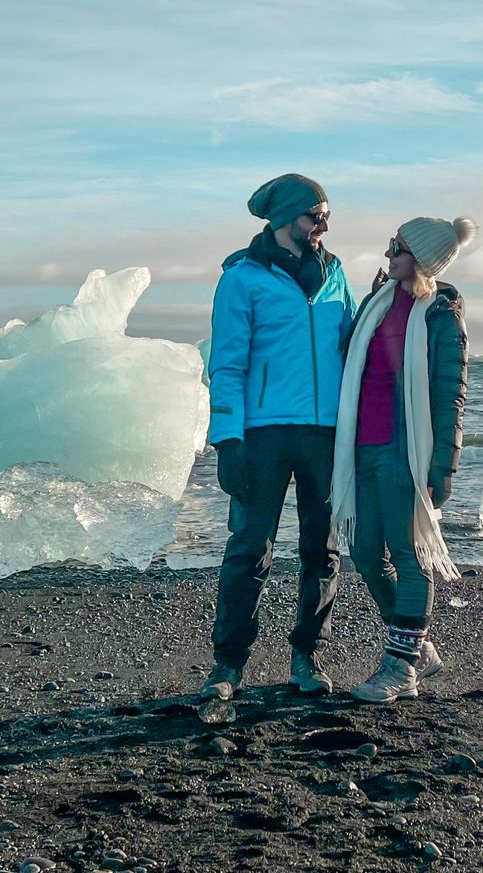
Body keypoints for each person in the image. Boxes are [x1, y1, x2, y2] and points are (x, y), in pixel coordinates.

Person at [203, 174, 357, 700]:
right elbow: (226, 365)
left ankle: (308, 656)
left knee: (323, 549)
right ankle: (227, 665)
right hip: (262, 435)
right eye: (317, 216)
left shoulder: (336, 274)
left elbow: (350, 348)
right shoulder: (243, 278)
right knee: (250, 548)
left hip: (325, 434)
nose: (324, 226)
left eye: (327, 216)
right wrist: (228, 440)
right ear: (286, 217)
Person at [331, 215, 477, 704]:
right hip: (362, 446)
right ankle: (418, 648)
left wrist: (442, 467)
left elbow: (449, 394)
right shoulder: (378, 302)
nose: (388, 254)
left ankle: (400, 667)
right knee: (366, 553)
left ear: (422, 257)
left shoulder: (440, 314)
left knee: (410, 557)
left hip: (405, 451)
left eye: (397, 247)